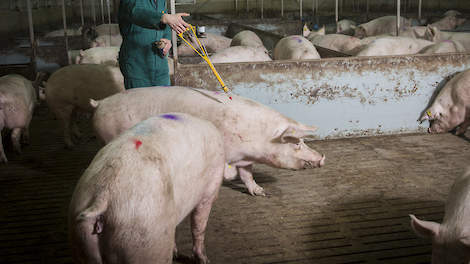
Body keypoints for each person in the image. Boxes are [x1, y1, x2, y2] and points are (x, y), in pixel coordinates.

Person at [118, 0, 190, 89]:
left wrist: (167, 39)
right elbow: (135, 12)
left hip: (160, 65)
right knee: (141, 101)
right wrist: (163, 17)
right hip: (137, 65)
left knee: (163, 100)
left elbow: (166, 23)